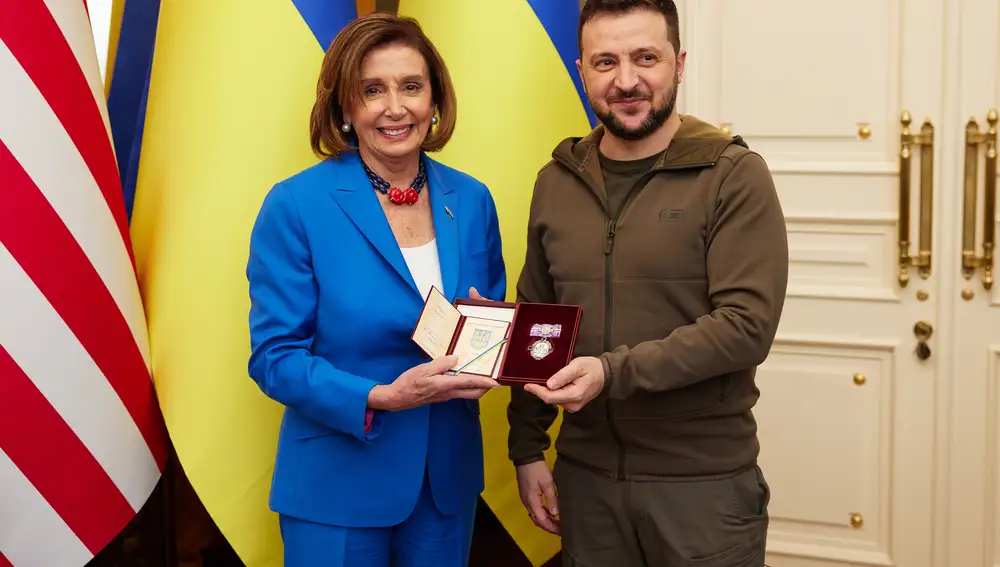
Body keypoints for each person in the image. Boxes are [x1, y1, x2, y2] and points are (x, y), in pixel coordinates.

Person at [506, 1, 789, 566]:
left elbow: (745, 328)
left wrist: (611, 372)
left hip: (700, 488)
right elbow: (538, 318)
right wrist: (527, 447)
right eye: (605, 62)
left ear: (679, 64)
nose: (627, 80)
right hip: (586, 484)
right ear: (580, 69)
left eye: (646, 57)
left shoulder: (733, 175)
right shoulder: (556, 182)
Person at [245, 13, 506, 567]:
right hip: (337, 484)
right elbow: (274, 358)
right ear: (344, 107)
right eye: (372, 90)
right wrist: (381, 397)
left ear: (434, 98)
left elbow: (485, 323)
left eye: (412, 87)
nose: (395, 108)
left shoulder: (474, 199)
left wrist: (487, 351)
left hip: (445, 486)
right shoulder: (296, 205)